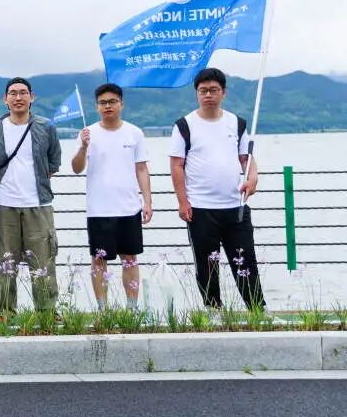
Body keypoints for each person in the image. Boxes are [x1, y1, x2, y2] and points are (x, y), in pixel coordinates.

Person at [169, 67, 264, 310]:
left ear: (223, 92)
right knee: (206, 263)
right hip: (200, 208)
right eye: (203, 90)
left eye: (213, 90)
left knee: (244, 260)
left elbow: (247, 159)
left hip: (236, 206)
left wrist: (253, 178)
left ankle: (257, 309)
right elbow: (177, 165)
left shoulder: (237, 123)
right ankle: (213, 309)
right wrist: (183, 202)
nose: (208, 95)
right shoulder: (184, 125)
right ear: (196, 93)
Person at [0, 77, 63, 314]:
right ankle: (4, 312)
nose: (18, 98)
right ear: (5, 99)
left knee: (43, 260)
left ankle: (47, 311)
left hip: (38, 203)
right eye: (13, 93)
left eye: (23, 93)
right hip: (4, 204)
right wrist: (4, 182)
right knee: (5, 261)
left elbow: (54, 162)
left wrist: (36, 182)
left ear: (32, 97)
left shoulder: (46, 127)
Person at [71, 83, 152, 311]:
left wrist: (147, 201)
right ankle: (102, 309)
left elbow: (141, 169)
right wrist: (83, 147)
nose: (108, 106)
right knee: (99, 261)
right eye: (103, 103)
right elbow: (76, 168)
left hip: (129, 207)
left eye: (112, 102)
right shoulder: (88, 133)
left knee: (130, 259)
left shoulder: (134, 132)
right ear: (96, 106)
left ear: (121, 104)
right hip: (99, 209)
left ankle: (132, 308)